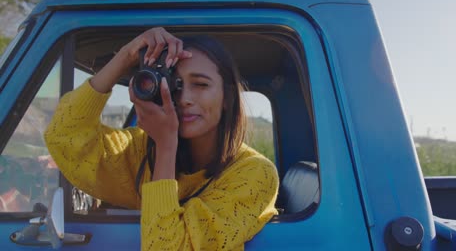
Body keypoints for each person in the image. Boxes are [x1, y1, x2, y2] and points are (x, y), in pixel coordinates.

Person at [44, 27, 279, 250]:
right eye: (173, 85)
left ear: (227, 97)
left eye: (200, 84)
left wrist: (166, 146)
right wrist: (126, 56)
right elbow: (63, 136)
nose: (184, 98)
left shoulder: (255, 174)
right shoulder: (140, 151)